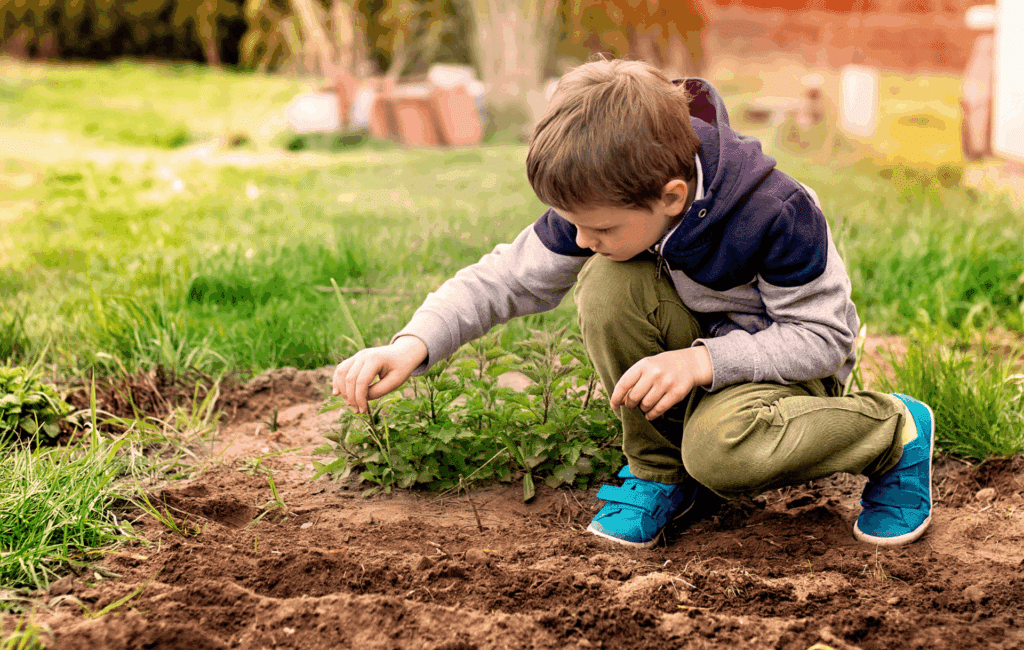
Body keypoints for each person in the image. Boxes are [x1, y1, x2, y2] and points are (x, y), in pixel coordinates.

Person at [332, 58, 934, 550]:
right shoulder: (609, 197)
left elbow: (823, 340)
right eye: (575, 225)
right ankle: (661, 473)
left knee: (718, 452)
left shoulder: (775, 213)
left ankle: (892, 430)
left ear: (673, 196)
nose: (582, 239)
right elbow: (507, 277)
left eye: (598, 227)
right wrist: (414, 341)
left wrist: (703, 363)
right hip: (706, 361)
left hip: (791, 376)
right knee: (606, 281)